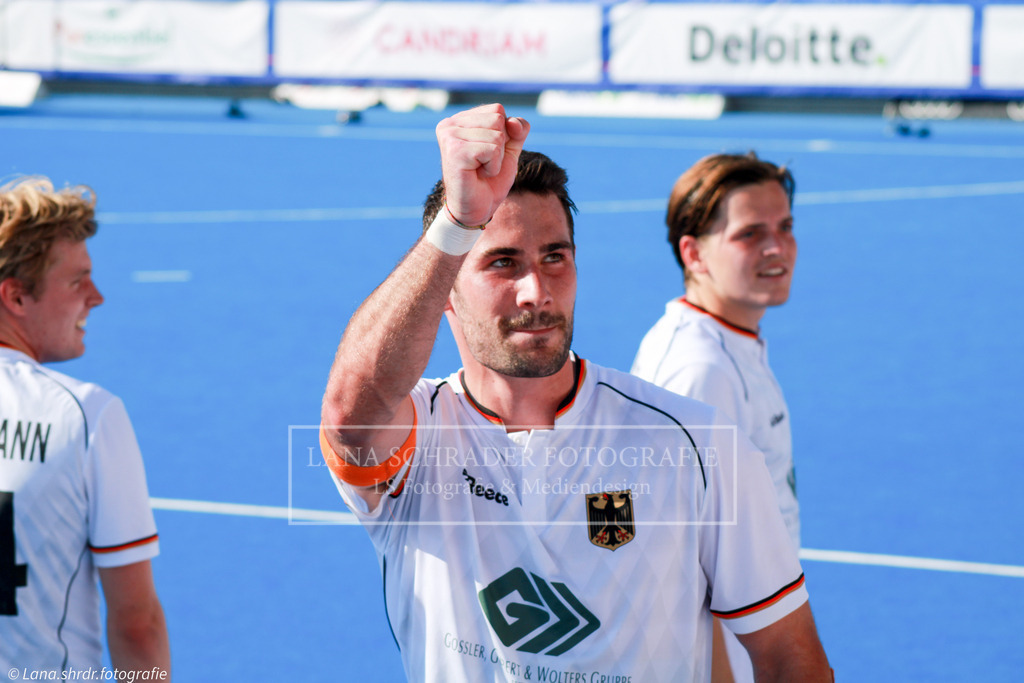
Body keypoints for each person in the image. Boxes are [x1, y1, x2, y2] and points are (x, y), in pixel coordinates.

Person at [320, 104, 830, 682]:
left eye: (554, 257)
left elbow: (791, 659)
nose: (536, 290)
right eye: (503, 263)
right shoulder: (416, 443)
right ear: (446, 290)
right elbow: (348, 418)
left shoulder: (700, 444)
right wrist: (457, 223)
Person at [631, 153, 800, 683]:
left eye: (785, 227)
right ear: (693, 253)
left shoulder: (728, 345)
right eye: (750, 234)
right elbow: (674, 565)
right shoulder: (699, 372)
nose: (777, 248)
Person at [0, 177, 170, 677]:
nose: (96, 298)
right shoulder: (87, 414)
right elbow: (137, 623)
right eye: (77, 281)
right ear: (16, 298)